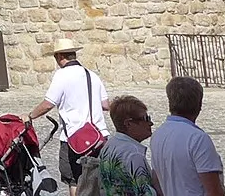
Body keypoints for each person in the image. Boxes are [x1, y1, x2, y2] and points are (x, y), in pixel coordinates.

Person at [26, 38, 110, 188]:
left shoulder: (62, 75)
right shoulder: (92, 75)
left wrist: (29, 116)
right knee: (99, 181)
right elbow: (105, 105)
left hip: (74, 138)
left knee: (75, 181)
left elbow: (48, 104)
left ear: (59, 57)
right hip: (99, 137)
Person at [150, 77, 224, 196]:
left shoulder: (158, 135)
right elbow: (214, 191)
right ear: (199, 105)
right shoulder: (198, 139)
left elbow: (157, 181)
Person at [85, 94, 158, 196]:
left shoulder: (109, 146)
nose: (150, 123)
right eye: (145, 118)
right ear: (128, 124)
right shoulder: (133, 154)